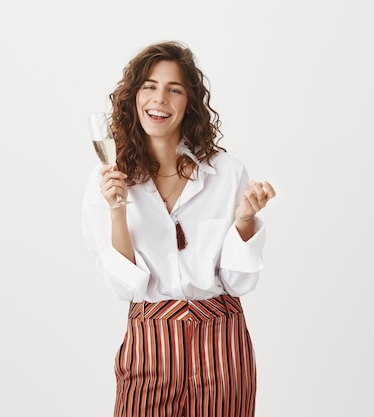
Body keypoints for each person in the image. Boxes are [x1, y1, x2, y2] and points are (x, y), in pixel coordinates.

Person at [82, 41, 276, 417]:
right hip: (150, 347)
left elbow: (237, 282)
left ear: (190, 103)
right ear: (133, 97)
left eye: (174, 89)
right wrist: (118, 208)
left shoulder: (227, 172)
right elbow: (125, 286)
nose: (160, 99)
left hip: (221, 344)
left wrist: (244, 221)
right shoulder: (106, 178)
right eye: (149, 86)